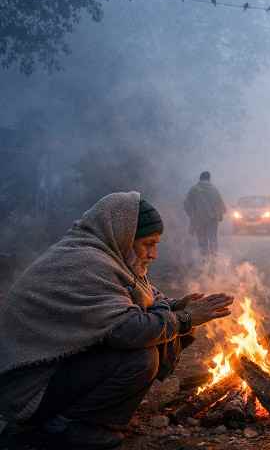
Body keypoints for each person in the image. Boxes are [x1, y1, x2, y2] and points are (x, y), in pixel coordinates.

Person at [0, 192, 234, 449]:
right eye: (148, 244)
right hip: (31, 390)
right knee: (141, 357)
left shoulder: (110, 257)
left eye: (156, 244)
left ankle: (76, 418)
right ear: (123, 237)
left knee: (168, 331)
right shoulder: (86, 263)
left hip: (60, 370)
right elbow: (127, 330)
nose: (153, 254)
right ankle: (70, 426)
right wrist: (186, 318)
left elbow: (147, 301)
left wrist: (179, 307)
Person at [184, 171, 227, 258]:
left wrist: (192, 215)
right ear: (209, 179)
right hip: (212, 219)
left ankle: (204, 260)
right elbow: (221, 205)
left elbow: (186, 204)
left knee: (202, 240)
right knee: (213, 239)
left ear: (200, 178)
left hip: (199, 220)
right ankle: (214, 259)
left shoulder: (194, 189)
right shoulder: (214, 189)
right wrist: (219, 215)